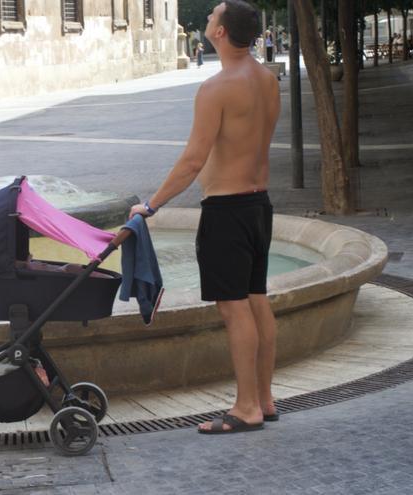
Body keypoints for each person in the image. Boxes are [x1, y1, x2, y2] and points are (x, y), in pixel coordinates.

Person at [129, 0, 280, 434]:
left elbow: (194, 160)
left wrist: (151, 204)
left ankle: (247, 407)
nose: (208, 19)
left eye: (212, 16)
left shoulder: (216, 88)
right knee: (256, 300)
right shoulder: (268, 81)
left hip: (227, 211)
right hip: (258, 206)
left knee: (235, 310)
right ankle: (266, 399)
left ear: (219, 33)